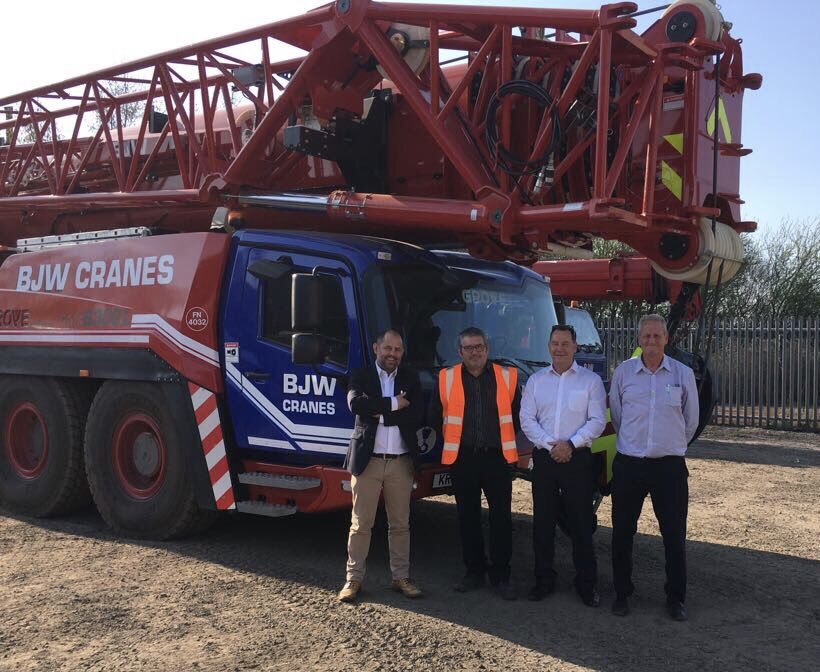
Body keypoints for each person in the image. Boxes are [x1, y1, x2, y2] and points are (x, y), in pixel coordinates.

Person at [609, 314, 699, 621]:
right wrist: (635, 444)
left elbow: (690, 420)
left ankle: (676, 599)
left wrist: (670, 445)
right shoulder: (623, 373)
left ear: (666, 339)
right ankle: (621, 593)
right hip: (629, 466)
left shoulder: (682, 374)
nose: (651, 342)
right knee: (622, 532)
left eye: (657, 336)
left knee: (674, 535)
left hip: (669, 468)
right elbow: (618, 416)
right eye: (646, 336)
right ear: (638, 339)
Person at [431, 326, 522, 600]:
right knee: (467, 518)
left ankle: (501, 575)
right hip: (463, 458)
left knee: (501, 519)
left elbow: (516, 417)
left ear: (487, 349)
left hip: (497, 458)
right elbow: (436, 416)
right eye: (468, 348)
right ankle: (474, 572)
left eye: (479, 346)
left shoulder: (507, 377)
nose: (475, 352)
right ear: (459, 352)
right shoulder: (446, 378)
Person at [520, 324, 607, 607]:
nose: (559, 348)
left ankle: (586, 584)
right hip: (545, 459)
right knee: (542, 523)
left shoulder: (590, 382)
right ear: (549, 346)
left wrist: (570, 445)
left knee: (580, 524)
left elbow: (597, 420)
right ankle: (543, 580)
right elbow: (527, 420)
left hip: (578, 458)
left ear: (575, 346)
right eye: (555, 343)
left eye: (565, 343)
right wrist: (550, 445)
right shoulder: (535, 381)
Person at [338, 330, 424, 603]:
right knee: (361, 525)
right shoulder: (361, 375)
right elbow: (356, 404)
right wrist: (395, 404)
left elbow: (417, 412)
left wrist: (379, 410)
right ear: (376, 348)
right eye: (387, 348)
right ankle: (353, 580)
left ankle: (401, 578)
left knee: (400, 525)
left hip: (400, 464)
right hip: (368, 462)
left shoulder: (410, 377)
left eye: (397, 350)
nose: (392, 354)